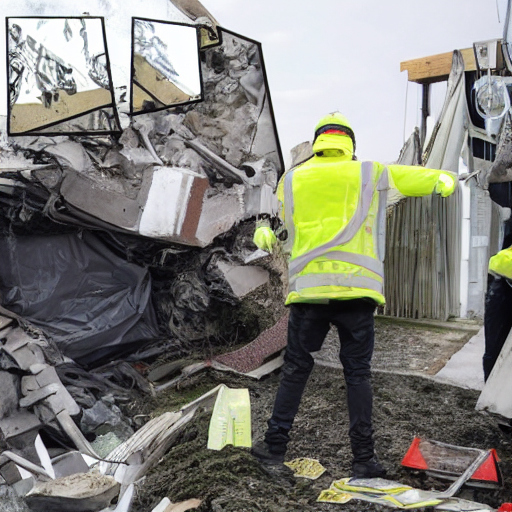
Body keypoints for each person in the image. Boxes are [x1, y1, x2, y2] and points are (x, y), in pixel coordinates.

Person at [251, 112, 457, 478]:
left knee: (296, 371)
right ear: (350, 144)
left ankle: (273, 447)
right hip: (357, 294)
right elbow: (414, 178)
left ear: (318, 144)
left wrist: (263, 233)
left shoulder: (292, 179)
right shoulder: (369, 172)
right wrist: (444, 180)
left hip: (309, 295)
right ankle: (364, 460)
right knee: (357, 375)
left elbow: (274, 223)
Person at [483, 183, 512, 381]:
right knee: (494, 347)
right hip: (504, 283)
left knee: (495, 347)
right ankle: (491, 394)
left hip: (502, 281)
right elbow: (494, 186)